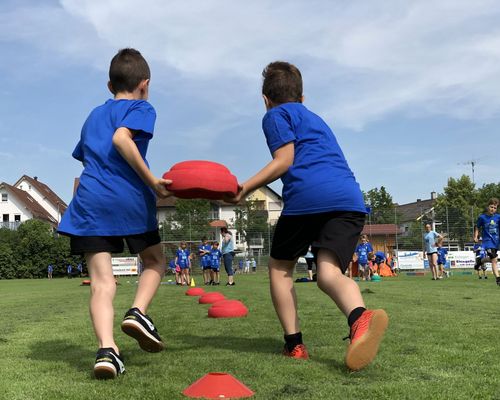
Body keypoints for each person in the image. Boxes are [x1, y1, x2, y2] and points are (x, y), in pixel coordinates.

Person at [226, 61, 388, 371]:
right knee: (328, 274)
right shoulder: (315, 119)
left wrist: (245, 188)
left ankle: (294, 345)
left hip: (308, 198)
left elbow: (284, 160)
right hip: (349, 200)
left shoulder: (275, 114)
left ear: (265, 99)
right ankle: (359, 319)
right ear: (303, 98)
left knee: (280, 268)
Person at [57, 48, 172, 379]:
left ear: (110, 86)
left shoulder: (93, 115)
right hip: (130, 199)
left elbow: (85, 156)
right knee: (154, 262)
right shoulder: (141, 107)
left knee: (101, 284)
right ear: (145, 84)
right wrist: (152, 180)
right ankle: (137, 312)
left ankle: (107, 350)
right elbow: (122, 139)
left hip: (90, 203)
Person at [474, 198, 500, 286]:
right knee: (494, 258)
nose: (493, 209)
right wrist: (475, 236)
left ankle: (480, 261)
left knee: (493, 259)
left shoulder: (498, 217)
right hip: (487, 241)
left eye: (495, 208)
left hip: (496, 242)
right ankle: (498, 278)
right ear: (487, 207)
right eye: (491, 207)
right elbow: (477, 227)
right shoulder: (482, 217)